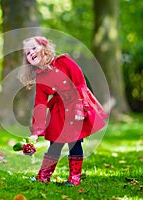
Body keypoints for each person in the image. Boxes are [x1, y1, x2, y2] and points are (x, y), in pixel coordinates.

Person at [18, 36, 108, 186]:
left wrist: (80, 107)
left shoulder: (63, 61)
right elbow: (40, 104)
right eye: (27, 53)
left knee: (75, 142)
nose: (31, 53)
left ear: (44, 47)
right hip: (59, 110)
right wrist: (36, 131)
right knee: (55, 143)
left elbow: (80, 82)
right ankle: (44, 176)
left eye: (34, 48)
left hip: (76, 104)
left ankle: (74, 178)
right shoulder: (40, 77)